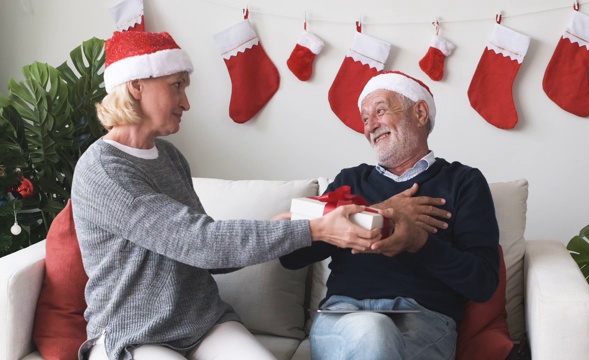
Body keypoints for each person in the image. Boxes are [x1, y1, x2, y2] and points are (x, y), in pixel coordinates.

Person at [71, 30, 393, 360]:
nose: (185, 102)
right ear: (137, 85)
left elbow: (203, 253)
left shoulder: (169, 157)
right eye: (176, 85)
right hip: (132, 332)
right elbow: (196, 243)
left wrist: (276, 228)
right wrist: (313, 230)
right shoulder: (104, 170)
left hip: (201, 321)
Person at [280, 70, 500, 360]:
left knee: (377, 335)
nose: (371, 125)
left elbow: (483, 283)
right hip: (344, 316)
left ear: (420, 113)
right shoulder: (350, 181)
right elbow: (290, 256)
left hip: (424, 319)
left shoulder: (464, 182)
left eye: (380, 110)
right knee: (373, 331)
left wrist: (419, 243)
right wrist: (381, 211)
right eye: (365, 118)